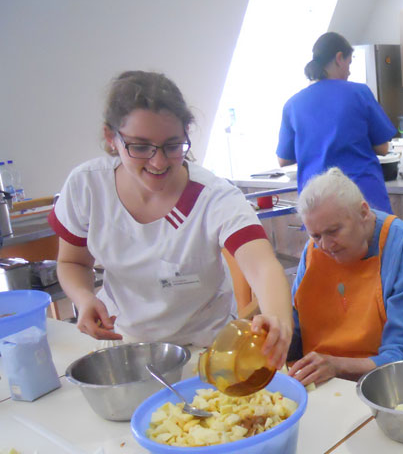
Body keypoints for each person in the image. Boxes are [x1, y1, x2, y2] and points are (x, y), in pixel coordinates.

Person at [49, 71, 291, 366]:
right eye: (140, 146)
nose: (158, 161)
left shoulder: (213, 196)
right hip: (129, 349)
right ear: (111, 138)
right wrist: (85, 299)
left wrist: (279, 321)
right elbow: (72, 262)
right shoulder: (87, 186)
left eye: (173, 145)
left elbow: (263, 265)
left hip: (205, 352)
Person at [284, 167, 403, 386]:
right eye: (316, 235)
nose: (326, 245)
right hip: (323, 380)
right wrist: (274, 334)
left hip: (390, 383)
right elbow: (296, 323)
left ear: (364, 212)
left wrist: (336, 366)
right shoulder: (314, 250)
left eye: (334, 231)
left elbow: (402, 356)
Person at [277, 32, 396, 213]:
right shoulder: (359, 93)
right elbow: (383, 148)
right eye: (349, 63)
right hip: (363, 198)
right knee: (373, 240)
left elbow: (283, 159)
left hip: (318, 203)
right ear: (339, 58)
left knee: (326, 241)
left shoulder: (293, 104)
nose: (349, 71)